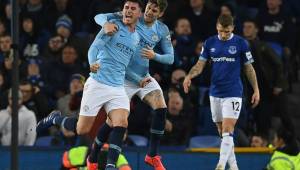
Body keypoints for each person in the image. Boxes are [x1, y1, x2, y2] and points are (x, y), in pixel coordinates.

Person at [37, 1, 142, 170]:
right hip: (98, 83)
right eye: (126, 8)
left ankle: (109, 166)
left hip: (117, 87)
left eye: (132, 9)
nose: (128, 11)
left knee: (121, 123)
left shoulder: (138, 36)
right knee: (81, 129)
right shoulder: (113, 25)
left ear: (140, 14)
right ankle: (55, 118)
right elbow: (94, 45)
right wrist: (93, 61)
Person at [92, 1, 173, 169]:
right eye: (149, 8)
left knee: (161, 107)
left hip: (143, 77)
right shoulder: (132, 17)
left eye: (154, 10)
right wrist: (105, 23)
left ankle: (152, 155)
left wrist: (154, 55)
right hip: (122, 77)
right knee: (112, 122)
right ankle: (93, 156)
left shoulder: (162, 30)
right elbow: (99, 16)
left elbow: (170, 58)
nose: (149, 12)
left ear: (161, 14)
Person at [183, 14, 260, 170]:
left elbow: (249, 68)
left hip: (233, 92)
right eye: (220, 31)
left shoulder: (241, 43)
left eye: (226, 31)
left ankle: (220, 165)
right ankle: (234, 166)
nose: (223, 35)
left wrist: (256, 89)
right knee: (223, 132)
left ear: (232, 28)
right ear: (217, 27)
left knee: (228, 129)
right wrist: (189, 76)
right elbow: (200, 64)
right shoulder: (210, 42)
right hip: (215, 93)